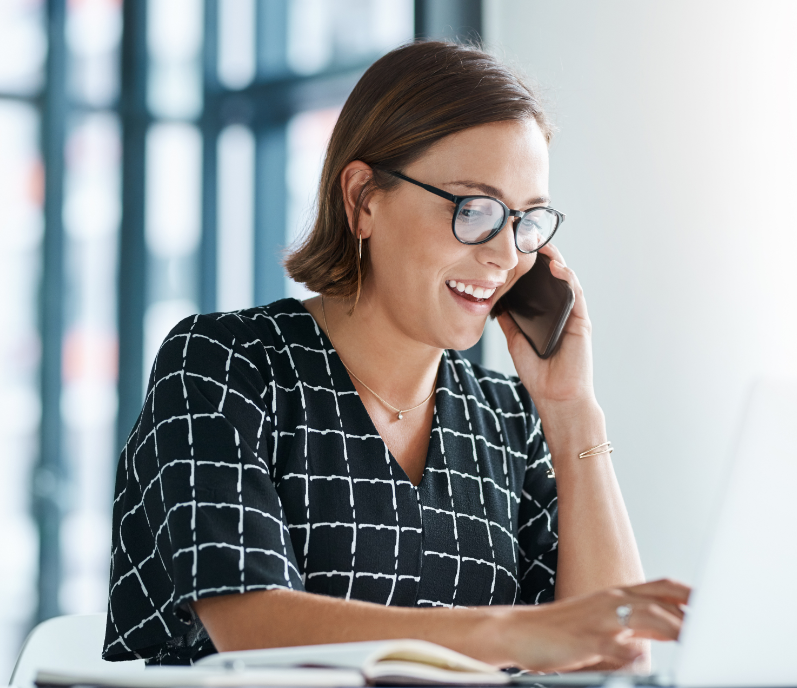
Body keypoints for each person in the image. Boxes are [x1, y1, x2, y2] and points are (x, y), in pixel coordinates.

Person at [104, 40, 689, 671]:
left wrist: (573, 411)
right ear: (363, 200)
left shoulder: (506, 418)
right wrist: (516, 634)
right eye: (475, 209)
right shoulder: (225, 363)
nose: (504, 255)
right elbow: (249, 623)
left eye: (526, 220)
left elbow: (614, 658)